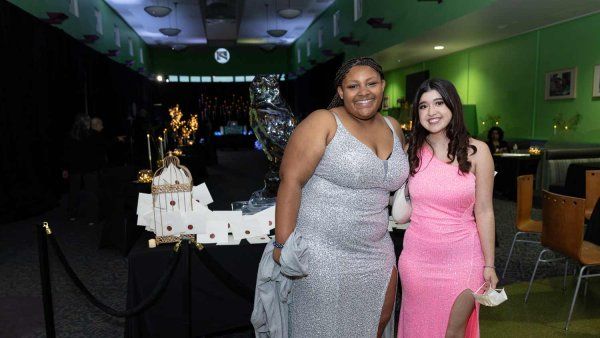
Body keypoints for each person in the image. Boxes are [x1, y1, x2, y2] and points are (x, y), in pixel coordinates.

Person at [273, 57, 408, 337]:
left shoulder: (394, 127)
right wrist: (283, 243)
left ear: (383, 86)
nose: (364, 92)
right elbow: (290, 181)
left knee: (376, 324)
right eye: (353, 85)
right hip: (323, 252)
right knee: (324, 329)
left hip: (377, 251)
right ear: (340, 91)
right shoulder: (323, 121)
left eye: (371, 83)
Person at [398, 79, 497, 337]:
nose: (431, 112)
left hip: (464, 258)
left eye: (439, 103)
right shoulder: (411, 151)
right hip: (417, 260)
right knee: (418, 329)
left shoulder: (478, 152)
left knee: (452, 333)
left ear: (453, 105)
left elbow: (485, 211)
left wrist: (490, 263)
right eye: (423, 106)